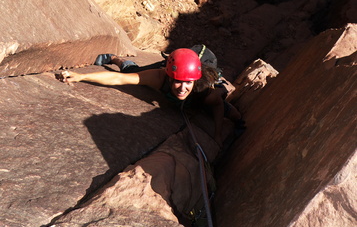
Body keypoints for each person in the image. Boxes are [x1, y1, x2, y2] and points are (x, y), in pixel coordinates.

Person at [56, 48, 245, 147]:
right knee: (133, 70)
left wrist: (218, 135)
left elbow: (218, 105)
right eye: (177, 82)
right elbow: (119, 79)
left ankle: (240, 126)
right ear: (169, 76)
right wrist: (82, 77)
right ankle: (114, 57)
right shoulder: (160, 77)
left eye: (188, 83)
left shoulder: (202, 90)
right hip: (165, 76)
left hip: (205, 96)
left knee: (234, 116)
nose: (182, 88)